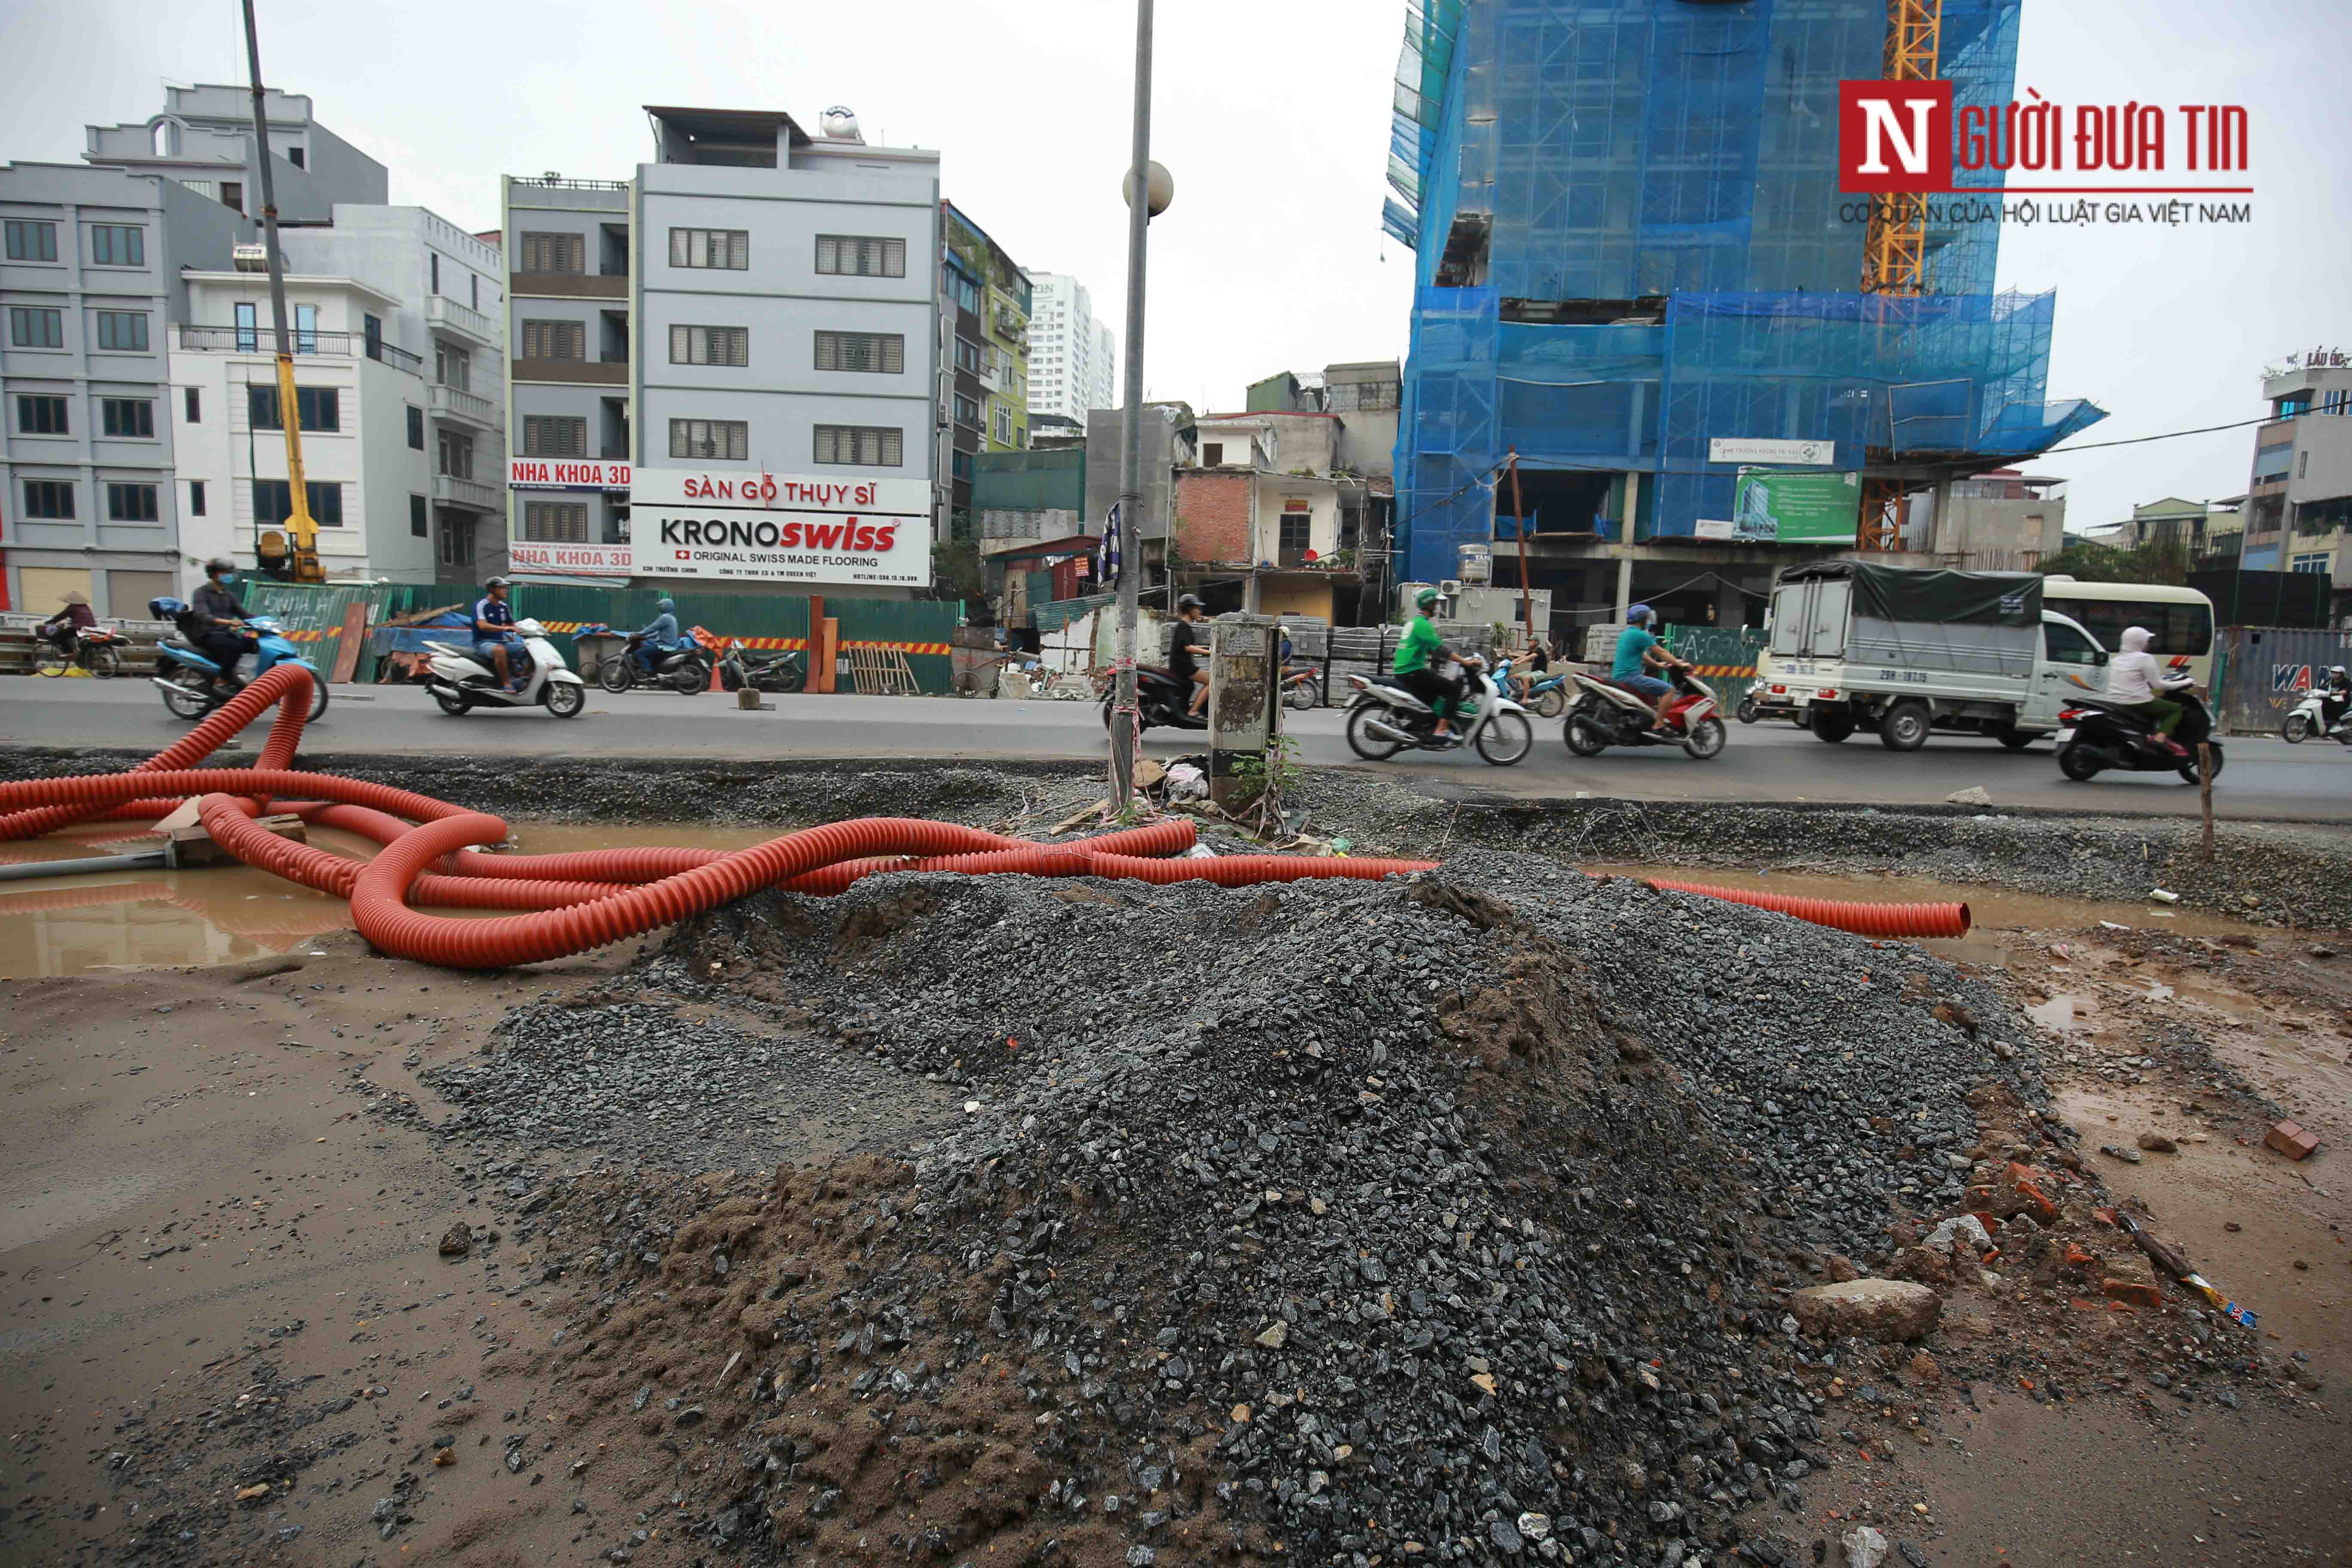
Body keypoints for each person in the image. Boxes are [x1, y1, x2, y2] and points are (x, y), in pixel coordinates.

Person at [1393, 586, 1466, 744]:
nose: (1437, 607)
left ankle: (1426, 726)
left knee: (1434, 696)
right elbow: (1441, 649)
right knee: (1454, 689)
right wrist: (1465, 662)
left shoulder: (1414, 623)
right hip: (1412, 672)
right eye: (1435, 603)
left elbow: (1432, 650)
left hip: (1405, 671)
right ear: (1428, 604)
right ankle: (1442, 730)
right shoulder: (1423, 625)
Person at [2104, 625, 2186, 757]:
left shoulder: (2116, 660)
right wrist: (2186, 682)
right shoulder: (2145, 658)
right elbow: (2158, 685)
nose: (2148, 644)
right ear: (2140, 642)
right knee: (2176, 709)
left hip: (2114, 701)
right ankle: (2160, 740)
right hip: (2137, 701)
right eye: (2147, 641)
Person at [1612, 604, 1690, 730]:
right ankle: (1659, 723)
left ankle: (1650, 720)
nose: (1648, 622)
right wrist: (1680, 664)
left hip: (1621, 676)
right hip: (1631, 677)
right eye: (1647, 619)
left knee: (1653, 694)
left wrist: (1657, 665)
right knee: (1668, 690)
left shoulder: (1627, 633)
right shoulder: (1640, 635)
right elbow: (1661, 652)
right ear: (1642, 619)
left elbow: (1641, 654)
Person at [190, 557, 256, 692]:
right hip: (208, 635)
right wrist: (229, 622)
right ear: (214, 574)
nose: (230, 576)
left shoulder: (229, 596)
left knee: (255, 644)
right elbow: (203, 616)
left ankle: (244, 678)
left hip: (226, 634)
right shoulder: (201, 593)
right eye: (226, 573)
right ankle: (222, 680)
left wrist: (267, 622)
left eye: (231, 573)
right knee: (234, 647)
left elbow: (245, 615)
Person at [472, 576, 522, 691]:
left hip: (502, 642)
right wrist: (504, 629)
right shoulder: (481, 605)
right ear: (492, 590)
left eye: (506, 588)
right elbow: (482, 625)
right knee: (500, 650)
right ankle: (507, 684)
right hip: (483, 643)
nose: (506, 590)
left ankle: (521, 678)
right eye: (502, 588)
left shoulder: (504, 607)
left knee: (529, 650)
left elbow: (512, 625)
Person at [1168, 594, 1210, 717]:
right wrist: (1209, 653)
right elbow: (1188, 647)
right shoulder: (1183, 626)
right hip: (1184, 667)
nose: (1200, 611)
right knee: (1212, 682)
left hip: (1183, 665)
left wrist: (1208, 649)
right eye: (1197, 608)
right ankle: (1194, 711)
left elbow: (1190, 646)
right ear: (1189, 609)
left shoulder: (1185, 626)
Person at [39, 590, 96, 657]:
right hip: (92, 628)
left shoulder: (72, 607)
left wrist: (51, 622)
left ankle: (69, 651)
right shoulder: (86, 607)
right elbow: (83, 618)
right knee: (77, 638)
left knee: (60, 635)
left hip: (80, 628)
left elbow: (61, 616)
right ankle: (84, 656)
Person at [634, 597, 683, 677]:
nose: (659, 607)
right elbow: (658, 632)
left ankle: (648, 674)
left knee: (639, 653)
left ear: (666, 607)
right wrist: (647, 637)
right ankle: (654, 674)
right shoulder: (672, 618)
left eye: (661, 605)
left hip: (664, 647)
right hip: (671, 646)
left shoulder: (665, 618)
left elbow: (652, 628)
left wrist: (639, 634)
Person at [2321, 665, 2351, 737]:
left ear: (2341, 674)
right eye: (2333, 672)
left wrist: (2337, 693)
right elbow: (2322, 688)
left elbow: (2345, 691)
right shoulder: (2329, 681)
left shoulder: (2346, 681)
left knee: (2335, 706)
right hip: (2331, 699)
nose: (2333, 674)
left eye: (2336, 673)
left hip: (2343, 701)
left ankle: (2336, 724)